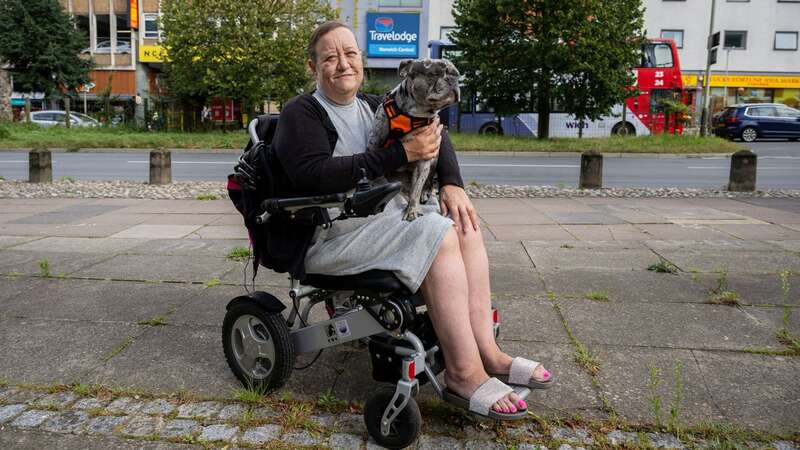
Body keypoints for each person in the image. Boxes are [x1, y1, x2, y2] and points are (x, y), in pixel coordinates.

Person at [272, 21, 552, 416]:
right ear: (312, 66)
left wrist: (452, 182)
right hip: (331, 234)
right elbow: (312, 174)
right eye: (330, 57)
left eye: (350, 54)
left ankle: (489, 353)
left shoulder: (375, 105)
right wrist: (399, 154)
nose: (343, 64)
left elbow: (435, 131)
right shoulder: (302, 112)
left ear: (362, 60)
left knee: (464, 224)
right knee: (438, 233)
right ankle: (463, 372)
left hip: (378, 219)